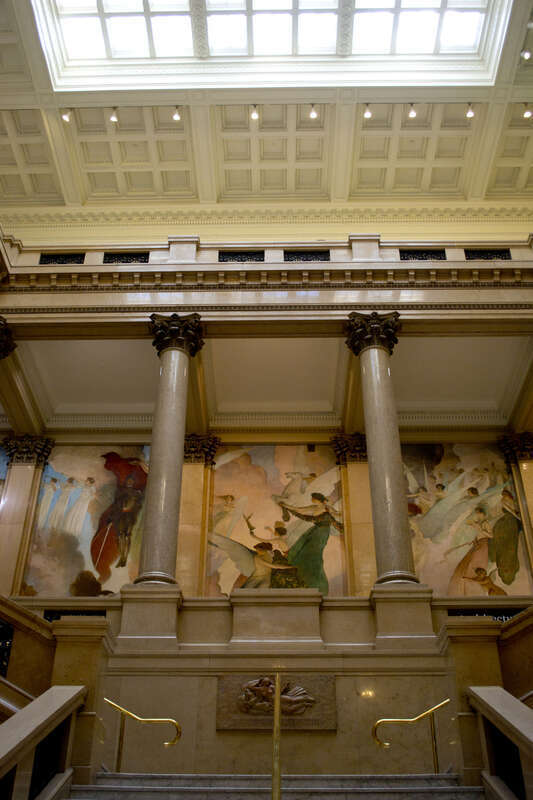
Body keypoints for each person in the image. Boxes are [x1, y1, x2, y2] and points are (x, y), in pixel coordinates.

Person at [280, 492, 343, 596]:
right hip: (315, 530)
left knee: (313, 555)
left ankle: (315, 582)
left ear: (316, 499)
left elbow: (336, 514)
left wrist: (341, 514)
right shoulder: (313, 507)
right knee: (302, 552)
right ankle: (304, 579)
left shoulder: (327, 508)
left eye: (313, 498)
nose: (312, 500)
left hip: (322, 533)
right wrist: (285, 506)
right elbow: (299, 510)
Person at [489, 489, 522, 585]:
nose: (503, 496)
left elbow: (511, 511)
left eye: (504, 494)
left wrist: (517, 517)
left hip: (510, 520)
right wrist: (518, 517)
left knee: (507, 541)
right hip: (511, 520)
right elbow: (510, 510)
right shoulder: (508, 500)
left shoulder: (507, 499)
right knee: (509, 542)